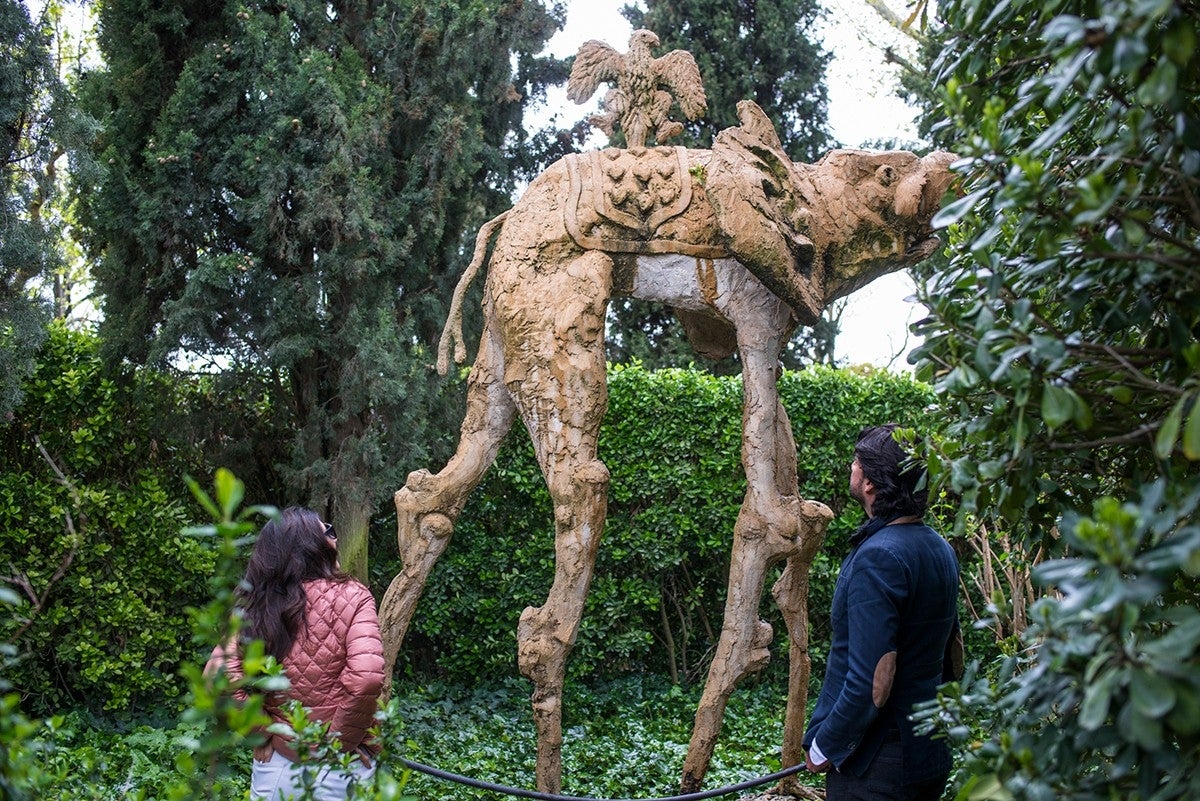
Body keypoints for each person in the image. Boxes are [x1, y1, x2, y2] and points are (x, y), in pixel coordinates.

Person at [803, 424, 963, 801]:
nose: (851, 467)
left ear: (872, 483)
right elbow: (953, 655)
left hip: (877, 768)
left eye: (857, 462)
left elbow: (874, 679)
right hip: (928, 750)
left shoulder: (878, 557)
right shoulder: (939, 546)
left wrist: (825, 747)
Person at [206, 507, 385, 800]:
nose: (334, 536)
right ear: (311, 546)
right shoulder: (355, 595)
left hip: (276, 767)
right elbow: (366, 679)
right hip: (344, 768)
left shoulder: (257, 603)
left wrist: (262, 731)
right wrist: (336, 744)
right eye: (327, 531)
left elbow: (218, 677)